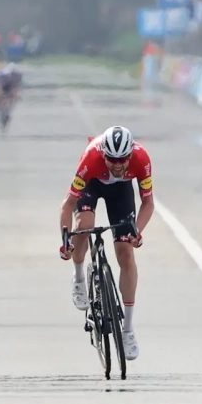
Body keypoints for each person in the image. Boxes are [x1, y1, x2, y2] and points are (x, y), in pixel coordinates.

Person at [59, 126, 154, 361]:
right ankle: (79, 276)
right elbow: (68, 205)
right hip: (92, 183)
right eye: (112, 159)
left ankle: (128, 330)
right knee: (83, 224)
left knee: (126, 254)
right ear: (104, 154)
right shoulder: (91, 157)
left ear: (131, 155)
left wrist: (137, 232)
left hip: (121, 192)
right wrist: (64, 240)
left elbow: (148, 204)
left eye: (123, 159)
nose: (118, 165)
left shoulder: (141, 160)